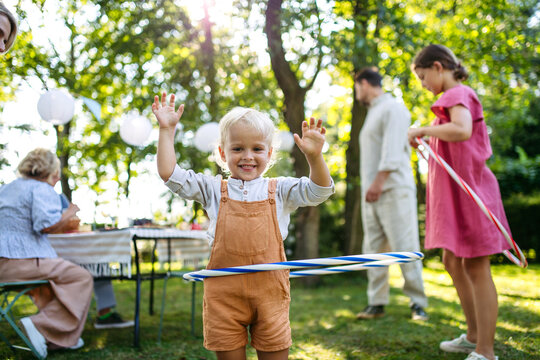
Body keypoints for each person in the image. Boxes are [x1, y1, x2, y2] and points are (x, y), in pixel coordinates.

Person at [153, 93, 334, 360]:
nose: (247, 156)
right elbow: (170, 174)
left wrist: (315, 158)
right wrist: (166, 130)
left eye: (257, 149)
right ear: (223, 153)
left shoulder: (280, 189)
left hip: (270, 293)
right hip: (224, 296)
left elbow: (320, 191)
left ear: (269, 153)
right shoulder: (213, 189)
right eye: (238, 149)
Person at [407, 44, 511, 360]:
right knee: (452, 261)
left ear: (439, 67)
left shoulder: (456, 94)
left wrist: (421, 128)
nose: (423, 84)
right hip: (456, 197)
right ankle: (474, 335)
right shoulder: (450, 100)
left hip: (472, 195)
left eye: (423, 76)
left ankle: (486, 350)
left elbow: (463, 130)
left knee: (476, 265)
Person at [0, 148, 94, 358]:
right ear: (48, 170)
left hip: (3, 267)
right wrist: (69, 212)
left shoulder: (6, 188)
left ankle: (60, 338)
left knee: (50, 286)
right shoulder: (41, 189)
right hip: (22, 262)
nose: (57, 177)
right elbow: (46, 226)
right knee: (81, 277)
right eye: (56, 172)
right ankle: (39, 325)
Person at [354, 68, 428, 321]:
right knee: (373, 249)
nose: (357, 94)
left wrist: (379, 182)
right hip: (372, 192)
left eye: (357, 88)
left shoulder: (393, 108)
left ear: (364, 84)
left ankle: (418, 303)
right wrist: (371, 187)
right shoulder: (373, 112)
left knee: (405, 245)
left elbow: (393, 150)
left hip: (393, 188)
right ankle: (376, 302)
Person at [58, 194, 135, 329]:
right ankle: (68, 316)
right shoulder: (38, 194)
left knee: (98, 263)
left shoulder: (59, 197)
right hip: (49, 251)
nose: (57, 177)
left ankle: (105, 315)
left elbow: (71, 220)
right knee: (89, 268)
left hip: (67, 244)